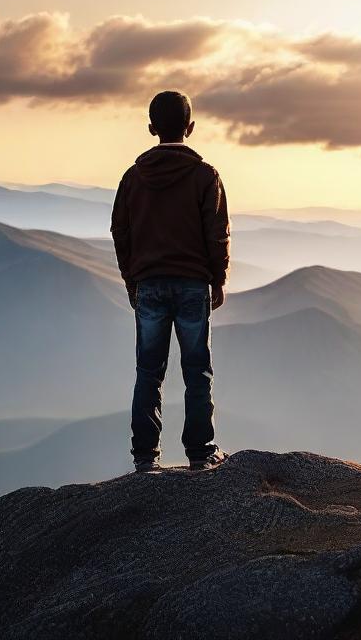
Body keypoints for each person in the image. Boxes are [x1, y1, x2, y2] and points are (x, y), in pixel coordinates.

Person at [111, 90, 230, 473]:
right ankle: (201, 453)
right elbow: (218, 234)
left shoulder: (133, 179)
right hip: (193, 283)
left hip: (149, 285)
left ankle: (145, 458)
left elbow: (120, 231)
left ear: (151, 128)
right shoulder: (204, 176)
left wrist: (132, 278)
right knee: (198, 370)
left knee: (148, 371)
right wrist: (218, 280)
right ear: (190, 128)